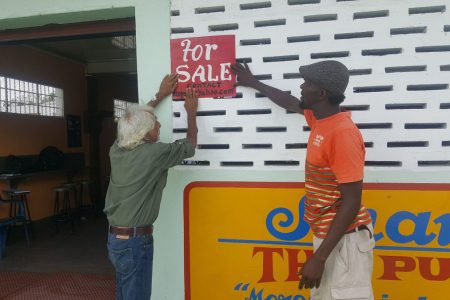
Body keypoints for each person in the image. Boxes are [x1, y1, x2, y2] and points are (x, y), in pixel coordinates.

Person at [231, 61, 374, 300]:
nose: (301, 86)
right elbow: (289, 102)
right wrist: (253, 82)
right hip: (329, 238)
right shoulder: (320, 120)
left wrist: (319, 258)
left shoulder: (342, 134)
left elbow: (351, 201)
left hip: (346, 242)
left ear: (321, 93)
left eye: (307, 83)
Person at [104, 74, 198, 300]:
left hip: (115, 240)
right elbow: (190, 146)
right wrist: (191, 112)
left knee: (125, 295)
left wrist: (160, 95)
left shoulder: (117, 149)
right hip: (136, 243)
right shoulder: (155, 153)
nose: (159, 123)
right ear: (145, 132)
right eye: (155, 121)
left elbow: (132, 121)